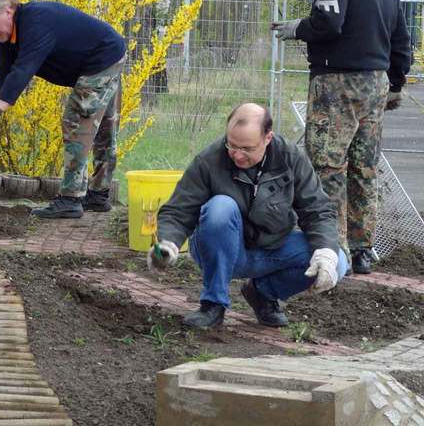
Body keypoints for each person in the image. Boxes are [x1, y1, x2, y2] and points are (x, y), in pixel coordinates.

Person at [271, 0, 412, 274]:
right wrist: (395, 82)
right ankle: (363, 249)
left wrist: (296, 29)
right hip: (375, 84)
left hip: (337, 83)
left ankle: (332, 249)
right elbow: (402, 40)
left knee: (327, 166)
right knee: (364, 168)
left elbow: (328, 22)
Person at [147, 103, 348, 330]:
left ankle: (263, 293)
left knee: (338, 261)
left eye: (247, 148)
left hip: (272, 249)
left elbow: (318, 210)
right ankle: (213, 304)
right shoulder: (210, 160)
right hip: (221, 250)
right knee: (220, 207)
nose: (237, 156)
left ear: (267, 138)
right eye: (232, 145)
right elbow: (179, 209)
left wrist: (325, 251)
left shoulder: (290, 159)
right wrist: (167, 242)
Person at [0, 0, 126, 218]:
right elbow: (3, 74)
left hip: (101, 59)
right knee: (103, 127)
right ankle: (99, 196)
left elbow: (23, 70)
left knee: (77, 123)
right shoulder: (8, 37)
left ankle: (71, 199)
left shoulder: (35, 22)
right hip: (107, 56)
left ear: (8, 11)